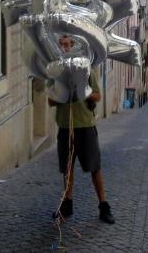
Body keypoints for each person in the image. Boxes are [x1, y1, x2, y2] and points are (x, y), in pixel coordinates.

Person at [48, 35, 115, 224]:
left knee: (95, 168)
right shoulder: (56, 71)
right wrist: (64, 93)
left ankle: (104, 206)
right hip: (65, 126)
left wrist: (82, 92)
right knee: (67, 169)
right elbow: (50, 101)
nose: (66, 48)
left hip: (85, 125)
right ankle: (67, 204)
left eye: (69, 44)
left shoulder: (86, 69)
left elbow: (97, 96)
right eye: (63, 45)